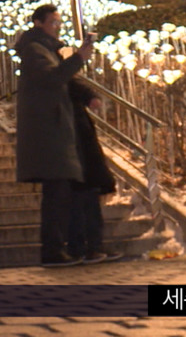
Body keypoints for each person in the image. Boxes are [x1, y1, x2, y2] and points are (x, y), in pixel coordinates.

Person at [13, 4, 94, 267]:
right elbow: (52, 78)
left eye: (59, 23)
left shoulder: (46, 49)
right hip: (48, 133)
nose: (58, 27)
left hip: (53, 129)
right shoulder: (36, 50)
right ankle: (52, 249)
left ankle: (60, 247)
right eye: (53, 23)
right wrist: (78, 58)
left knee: (61, 192)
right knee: (56, 194)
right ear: (39, 23)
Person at [66, 79, 123, 264]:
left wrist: (88, 96)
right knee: (79, 201)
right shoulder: (53, 79)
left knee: (88, 199)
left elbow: (72, 82)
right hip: (74, 153)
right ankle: (83, 247)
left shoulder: (68, 95)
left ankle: (93, 245)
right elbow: (67, 79)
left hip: (83, 152)